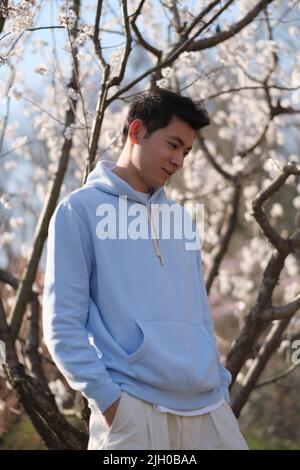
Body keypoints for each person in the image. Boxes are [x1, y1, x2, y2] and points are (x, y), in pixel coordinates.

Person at [42, 88, 249, 450]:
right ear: (137, 131)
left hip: (209, 410)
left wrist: (220, 384)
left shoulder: (182, 221)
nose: (180, 160)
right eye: (173, 145)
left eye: (186, 151)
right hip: (134, 410)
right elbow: (62, 324)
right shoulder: (80, 211)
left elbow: (199, 314)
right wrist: (110, 403)